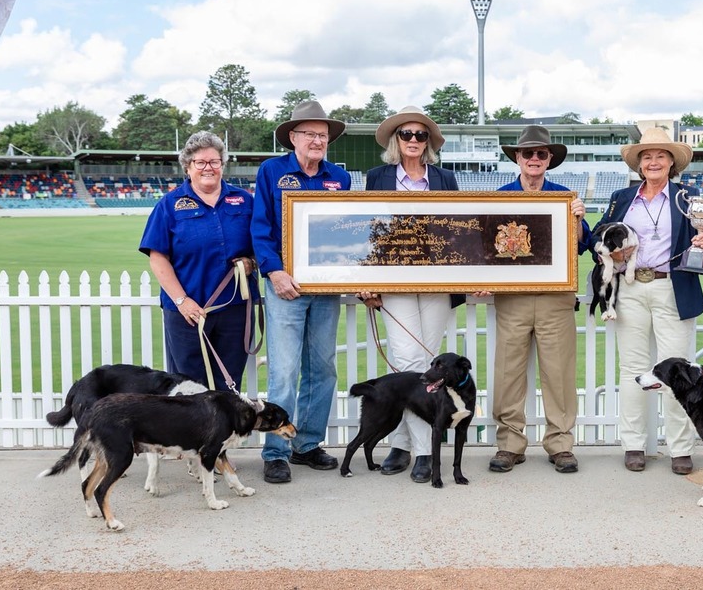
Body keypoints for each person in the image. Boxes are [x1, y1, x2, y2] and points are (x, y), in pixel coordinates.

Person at [592, 127, 703, 475]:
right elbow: (597, 235)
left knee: (678, 370)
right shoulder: (622, 197)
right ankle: (633, 444)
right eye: (647, 156)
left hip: (672, 286)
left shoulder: (688, 196)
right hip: (629, 288)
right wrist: (611, 249)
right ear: (639, 164)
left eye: (660, 156)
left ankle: (681, 448)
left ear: (672, 162)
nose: (653, 161)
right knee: (632, 370)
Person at [358, 106, 462, 484]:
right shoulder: (377, 177)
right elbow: (368, 231)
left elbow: (458, 231)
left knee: (428, 364)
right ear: (395, 141)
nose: (414, 141)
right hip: (394, 280)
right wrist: (366, 281)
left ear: (429, 142)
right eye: (407, 135)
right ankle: (421, 450)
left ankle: (401, 442)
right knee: (406, 358)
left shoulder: (445, 178)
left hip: (436, 282)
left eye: (421, 135)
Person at [252, 100, 351, 484]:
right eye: (309, 133)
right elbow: (260, 227)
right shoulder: (272, 171)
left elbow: (346, 231)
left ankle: (307, 444)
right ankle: (275, 450)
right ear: (292, 137)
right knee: (285, 370)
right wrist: (274, 271)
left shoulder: (339, 177)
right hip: (285, 286)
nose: (316, 140)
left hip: (326, 288)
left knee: (322, 367)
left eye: (322, 135)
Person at [486, 125, 590, 474]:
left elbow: (580, 246)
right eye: (528, 153)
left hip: (554, 296)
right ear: (517, 157)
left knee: (559, 372)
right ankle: (510, 443)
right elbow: (485, 250)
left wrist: (577, 218)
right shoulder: (499, 197)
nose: (534, 159)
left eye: (541, 154)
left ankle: (560, 443)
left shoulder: (565, 197)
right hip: (512, 296)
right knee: (508, 371)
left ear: (549, 160)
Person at [139, 131, 257, 391]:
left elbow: (262, 243)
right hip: (187, 313)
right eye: (200, 162)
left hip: (234, 308)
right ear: (188, 167)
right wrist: (182, 301)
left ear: (222, 165)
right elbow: (158, 257)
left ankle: (225, 434)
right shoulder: (169, 205)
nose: (208, 168)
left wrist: (251, 261)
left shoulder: (245, 201)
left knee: (229, 386)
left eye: (215, 161)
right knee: (189, 389)